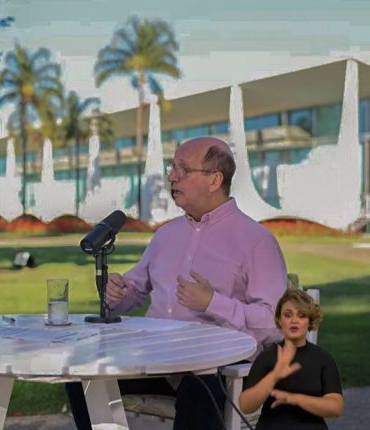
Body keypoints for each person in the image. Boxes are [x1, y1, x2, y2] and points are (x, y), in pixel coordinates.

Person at [66, 136, 288, 430]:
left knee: (199, 388)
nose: (172, 177)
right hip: (156, 360)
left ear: (214, 180)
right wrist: (118, 292)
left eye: (183, 169)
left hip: (217, 368)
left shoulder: (257, 241)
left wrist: (213, 303)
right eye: (172, 168)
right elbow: (134, 289)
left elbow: (274, 323)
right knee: (82, 376)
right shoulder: (166, 235)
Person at [239, 288, 343, 429]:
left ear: (310, 321)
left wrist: (295, 399)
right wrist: (274, 376)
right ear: (279, 320)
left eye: (301, 315)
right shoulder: (267, 357)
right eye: (288, 315)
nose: (294, 320)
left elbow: (336, 408)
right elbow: (246, 406)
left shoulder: (323, 359)